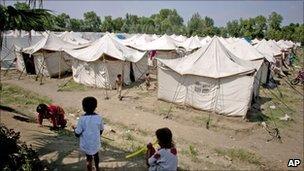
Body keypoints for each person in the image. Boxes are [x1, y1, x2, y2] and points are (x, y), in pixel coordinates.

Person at [73, 97, 104, 171]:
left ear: (83, 108)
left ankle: (89, 169)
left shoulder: (82, 119)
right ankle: (97, 168)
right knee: (96, 155)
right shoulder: (99, 118)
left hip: (87, 144)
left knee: (89, 158)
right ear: (95, 107)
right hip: (96, 143)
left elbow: (77, 134)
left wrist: (74, 129)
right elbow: (101, 130)